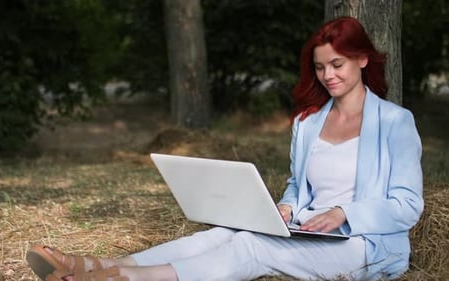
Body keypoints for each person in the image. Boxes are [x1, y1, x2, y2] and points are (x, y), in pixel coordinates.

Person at [26, 16, 424, 281]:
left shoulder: (394, 122)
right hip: (305, 229)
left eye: (337, 65)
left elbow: (408, 205)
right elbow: (297, 185)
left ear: (361, 59)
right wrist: (286, 206)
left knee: (251, 246)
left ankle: (125, 278)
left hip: (362, 245)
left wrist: (343, 213)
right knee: (226, 231)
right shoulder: (308, 123)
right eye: (320, 67)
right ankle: (90, 265)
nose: (328, 76)